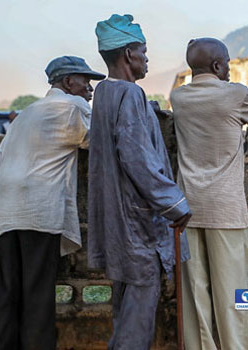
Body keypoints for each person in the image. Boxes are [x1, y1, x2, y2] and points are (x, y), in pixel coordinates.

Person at [87, 14, 192, 350]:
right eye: (144, 53)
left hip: (117, 219)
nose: (147, 59)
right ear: (129, 54)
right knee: (139, 308)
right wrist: (174, 205)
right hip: (137, 223)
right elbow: (137, 159)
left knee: (126, 305)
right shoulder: (129, 94)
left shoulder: (104, 93)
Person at [169, 37, 248, 350]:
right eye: (228, 63)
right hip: (227, 209)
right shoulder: (237, 94)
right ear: (218, 66)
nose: (231, 69)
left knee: (194, 291)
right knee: (238, 289)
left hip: (187, 206)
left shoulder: (178, 97)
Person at [0, 56, 105, 350]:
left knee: (7, 291)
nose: (90, 89)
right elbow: (97, 140)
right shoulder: (72, 106)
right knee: (38, 294)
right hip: (38, 210)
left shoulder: (27, 113)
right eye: (85, 82)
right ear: (68, 83)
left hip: (6, 210)